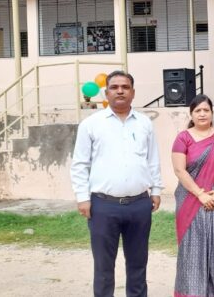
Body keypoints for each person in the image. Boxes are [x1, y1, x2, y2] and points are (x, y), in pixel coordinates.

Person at [70, 70, 163, 297]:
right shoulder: (91, 124)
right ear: (106, 92)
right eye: (114, 87)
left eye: (125, 87)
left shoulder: (144, 124)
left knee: (138, 265)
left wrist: (157, 189)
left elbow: (152, 159)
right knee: (103, 268)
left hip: (139, 205)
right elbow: (80, 163)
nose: (120, 91)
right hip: (103, 206)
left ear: (133, 92)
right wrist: (83, 197)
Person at [172, 94, 214, 297]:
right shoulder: (183, 138)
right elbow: (179, 170)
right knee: (193, 249)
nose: (202, 114)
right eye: (197, 110)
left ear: (211, 113)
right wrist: (200, 194)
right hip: (191, 198)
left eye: (206, 110)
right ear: (191, 114)